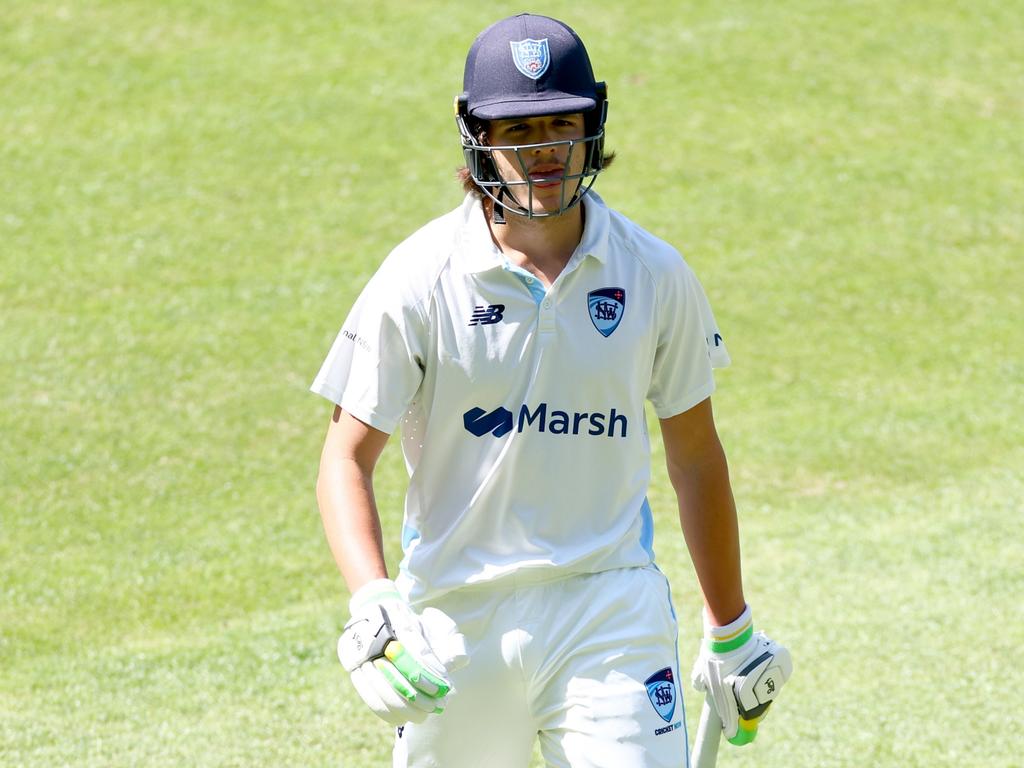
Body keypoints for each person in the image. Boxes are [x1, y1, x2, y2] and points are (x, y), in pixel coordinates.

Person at [313, 13, 791, 768]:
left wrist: (731, 628)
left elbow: (696, 458)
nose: (544, 153)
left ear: (593, 129)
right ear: (477, 138)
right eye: (518, 132)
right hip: (455, 619)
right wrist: (374, 604)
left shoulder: (656, 273)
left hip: (609, 607)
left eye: (561, 125)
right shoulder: (417, 277)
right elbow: (345, 456)